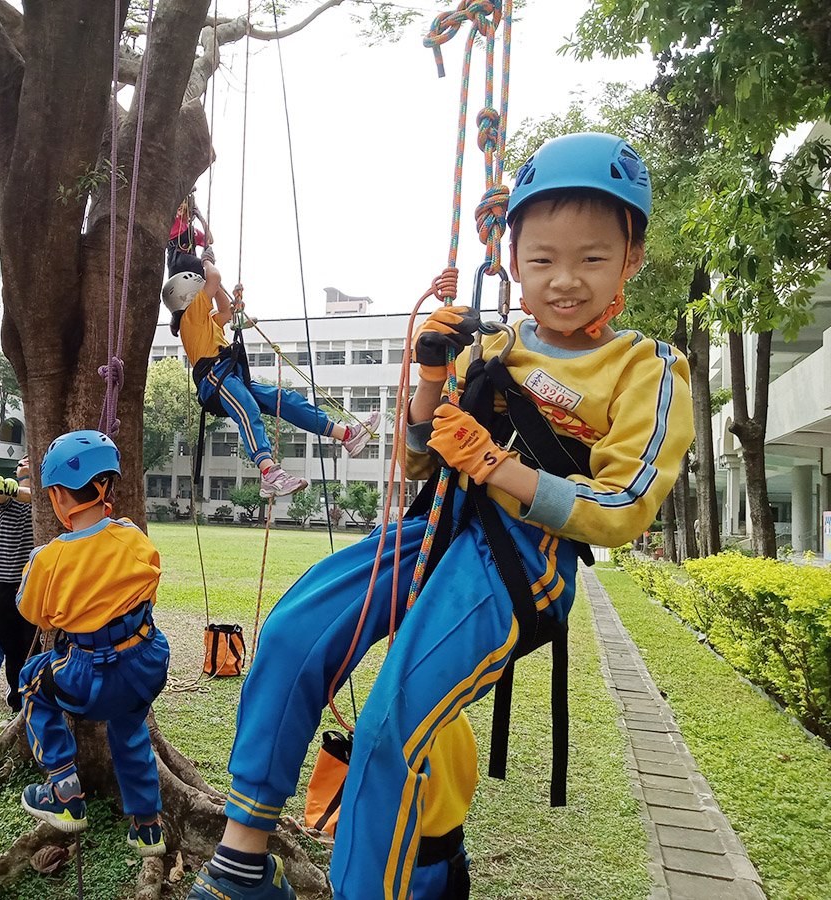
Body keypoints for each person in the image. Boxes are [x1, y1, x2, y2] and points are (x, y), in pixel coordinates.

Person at [186, 132, 695, 900]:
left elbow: (624, 507)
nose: (564, 280)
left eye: (592, 259)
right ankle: (242, 861)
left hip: (525, 562)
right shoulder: (489, 341)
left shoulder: (645, 367)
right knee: (293, 631)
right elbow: (422, 459)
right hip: (440, 527)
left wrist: (499, 465)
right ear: (512, 258)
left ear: (631, 259)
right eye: (543, 259)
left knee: (396, 726)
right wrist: (430, 374)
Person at [16, 430, 170, 858]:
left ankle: (64, 794)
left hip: (86, 676)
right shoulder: (133, 537)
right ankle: (148, 827)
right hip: (145, 664)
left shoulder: (48, 559)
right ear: (107, 488)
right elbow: (148, 591)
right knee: (130, 727)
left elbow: (35, 614)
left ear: (59, 496)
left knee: (31, 682)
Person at [163, 258, 380, 498]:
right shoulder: (190, 317)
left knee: (284, 399)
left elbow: (226, 310)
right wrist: (207, 260)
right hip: (215, 380)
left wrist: (224, 292)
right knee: (248, 410)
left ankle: (346, 435)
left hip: (230, 376)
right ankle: (269, 474)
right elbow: (213, 277)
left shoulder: (206, 320)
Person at [0, 455, 40, 715]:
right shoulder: (5, 498)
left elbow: (35, 496)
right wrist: (6, 489)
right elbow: (4, 499)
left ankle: (36, 698)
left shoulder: (44, 495)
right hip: (6, 579)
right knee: (9, 642)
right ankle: (17, 701)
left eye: (30, 459)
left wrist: (14, 488)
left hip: (34, 580)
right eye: (20, 462)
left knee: (33, 642)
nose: (24, 463)